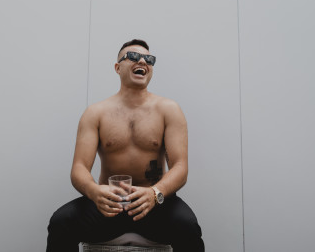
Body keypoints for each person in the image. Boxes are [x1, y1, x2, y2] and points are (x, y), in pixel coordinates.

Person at [46, 39, 204, 252]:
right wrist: (94, 192)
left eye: (148, 59)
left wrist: (155, 193)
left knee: (188, 227)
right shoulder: (96, 113)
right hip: (110, 205)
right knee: (60, 222)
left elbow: (180, 167)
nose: (142, 61)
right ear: (117, 68)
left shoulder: (169, 110)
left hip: (154, 203)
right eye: (133, 56)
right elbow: (79, 168)